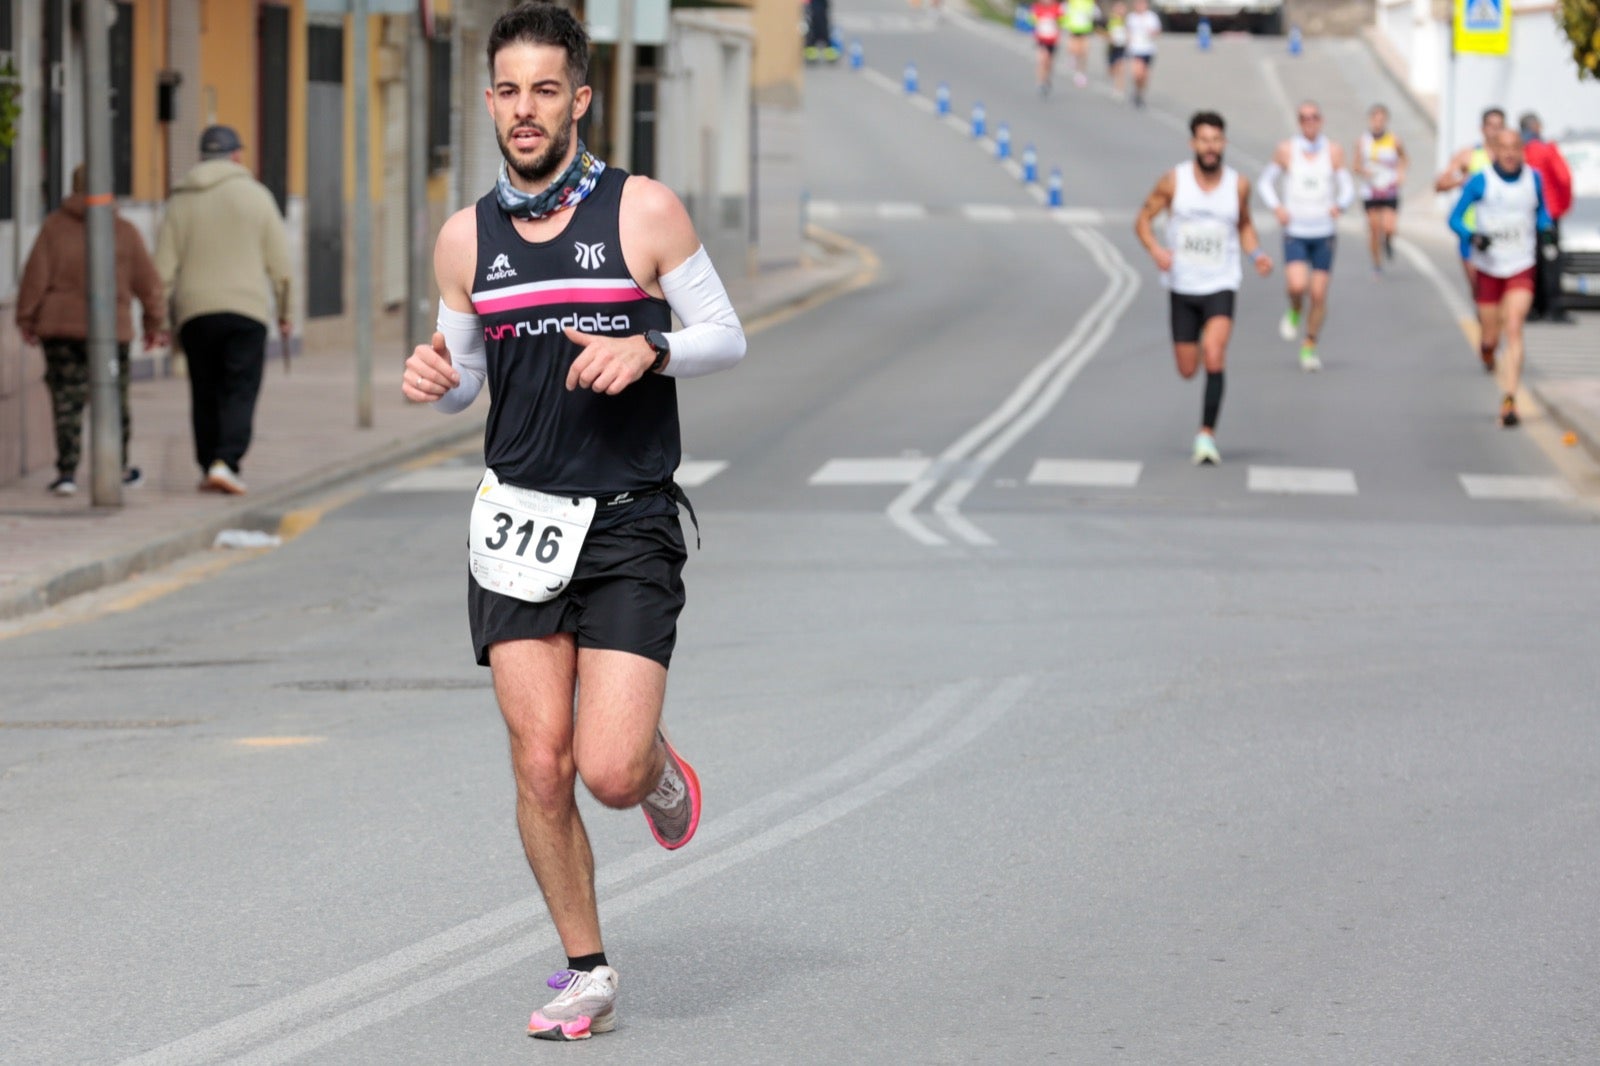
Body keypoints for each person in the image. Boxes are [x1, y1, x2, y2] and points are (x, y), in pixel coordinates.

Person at [401, 2, 746, 1041]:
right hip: (517, 524)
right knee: (539, 760)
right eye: (507, 90)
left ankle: (650, 765)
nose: (523, 109)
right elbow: (466, 378)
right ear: (490, 101)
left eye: (544, 89)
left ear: (580, 99)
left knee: (603, 769)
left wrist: (654, 350)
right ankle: (584, 967)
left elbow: (723, 334)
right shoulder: (466, 238)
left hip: (628, 518)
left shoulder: (643, 212)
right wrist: (435, 377)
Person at [154, 124, 292, 496]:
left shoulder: (179, 201)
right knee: (240, 388)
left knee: (204, 389)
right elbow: (281, 266)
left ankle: (208, 464)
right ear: (236, 156)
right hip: (246, 311)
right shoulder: (257, 196)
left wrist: (159, 320)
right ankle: (226, 462)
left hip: (195, 313)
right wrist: (284, 311)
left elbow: (162, 269)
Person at [16, 164, 167, 495]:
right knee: (113, 398)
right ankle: (118, 466)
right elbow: (149, 282)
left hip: (60, 329)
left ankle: (67, 472)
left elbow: (34, 277)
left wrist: (26, 319)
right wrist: (155, 323)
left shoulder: (53, 228)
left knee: (66, 400)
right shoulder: (123, 231)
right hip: (111, 332)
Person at [1135, 111, 1273, 465]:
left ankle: (1206, 435)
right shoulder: (1173, 182)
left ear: (1224, 143)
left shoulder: (1238, 185)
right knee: (1187, 369)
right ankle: (1194, 339)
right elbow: (1142, 221)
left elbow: (1244, 224)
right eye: (1204, 140)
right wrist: (1156, 250)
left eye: (1216, 140)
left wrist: (1256, 253)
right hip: (1182, 285)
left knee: (1214, 353)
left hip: (1221, 283)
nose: (1211, 147)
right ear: (1193, 143)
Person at [1449, 128, 1553, 428]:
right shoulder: (1481, 181)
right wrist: (1472, 235)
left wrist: (1546, 228)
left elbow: (1542, 212)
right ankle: (1487, 351)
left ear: (1522, 150)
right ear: (1494, 150)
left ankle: (1509, 399)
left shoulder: (1533, 179)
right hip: (1489, 267)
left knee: (1515, 326)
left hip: (1521, 264)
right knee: (1491, 337)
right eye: (1503, 148)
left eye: (1515, 148)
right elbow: (1454, 218)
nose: (1509, 154)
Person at [1257, 100, 1353, 371]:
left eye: (1314, 117)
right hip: (1296, 231)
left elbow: (1346, 186)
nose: (1309, 122)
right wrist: (1277, 207)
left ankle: (1309, 344)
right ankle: (1295, 308)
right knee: (1297, 286)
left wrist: (1340, 205)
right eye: (1304, 118)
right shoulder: (1287, 150)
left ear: (1321, 120)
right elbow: (1265, 181)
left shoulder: (1333, 151)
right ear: (1298, 122)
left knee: (1319, 294)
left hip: (1323, 231)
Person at [1436, 106, 1506, 324]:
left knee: (1501, 291)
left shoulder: (1509, 157)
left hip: (1501, 231)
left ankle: (1493, 329)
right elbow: (1440, 184)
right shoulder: (1468, 156)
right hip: (1471, 231)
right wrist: (1461, 180)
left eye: (1499, 126)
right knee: (1479, 287)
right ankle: (1486, 329)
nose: (1495, 131)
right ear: (1482, 128)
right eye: (1491, 126)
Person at [1519, 112, 1575, 323]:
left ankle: (1532, 307)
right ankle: (1553, 307)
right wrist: (1563, 206)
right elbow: (1564, 177)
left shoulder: (1519, 151)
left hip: (1524, 215)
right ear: (1537, 127)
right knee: (1551, 261)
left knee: (1529, 260)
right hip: (1549, 216)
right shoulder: (1545, 150)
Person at [1353, 103, 1407, 274]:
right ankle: (1377, 264)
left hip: (1390, 188)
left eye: (1381, 120)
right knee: (1375, 230)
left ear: (1386, 121)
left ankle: (1388, 241)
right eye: (1375, 119)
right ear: (1370, 120)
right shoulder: (1363, 141)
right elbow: (1355, 165)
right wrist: (1364, 171)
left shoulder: (1394, 140)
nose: (1378, 123)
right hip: (1371, 191)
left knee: (1389, 227)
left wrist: (1400, 174)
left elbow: (1404, 159)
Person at [1123, 0, 1159, 108]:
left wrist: (1151, 32)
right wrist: (1128, 42)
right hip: (1135, 49)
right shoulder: (1131, 17)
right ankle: (1136, 91)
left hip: (1148, 49)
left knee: (1144, 75)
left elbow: (1157, 31)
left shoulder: (1151, 17)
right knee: (1137, 73)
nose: (1140, 6)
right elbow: (1127, 31)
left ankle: (1140, 94)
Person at [1062, 0, 1099, 89]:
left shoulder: (1089, 2)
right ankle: (1072, 59)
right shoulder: (1071, 2)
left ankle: (1081, 74)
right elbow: (1063, 12)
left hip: (1085, 30)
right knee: (1074, 50)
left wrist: (1090, 16)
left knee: (1084, 52)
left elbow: (1096, 13)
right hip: (1074, 29)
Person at [1031, 0, 1063, 96]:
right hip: (1041, 39)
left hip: (1052, 40)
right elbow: (1033, 22)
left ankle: (1047, 78)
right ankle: (1040, 82)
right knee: (1042, 60)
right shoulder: (1037, 8)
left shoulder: (1057, 8)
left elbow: (1061, 22)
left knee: (1049, 62)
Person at [1105, 1, 1129, 96]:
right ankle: (1114, 83)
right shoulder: (1111, 20)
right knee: (1112, 69)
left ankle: (1119, 89)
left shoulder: (1126, 21)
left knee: (1121, 68)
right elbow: (1104, 32)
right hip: (1112, 48)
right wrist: (1109, 37)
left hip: (1122, 47)